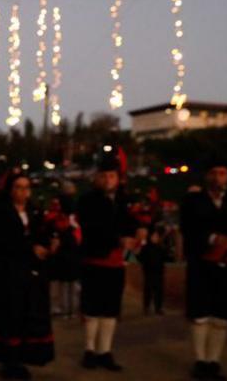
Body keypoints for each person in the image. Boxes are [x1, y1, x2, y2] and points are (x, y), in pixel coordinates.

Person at [181, 158, 227, 380]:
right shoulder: (193, 200)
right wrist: (213, 238)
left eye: (223, 173)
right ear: (207, 176)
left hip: (226, 265)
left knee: (222, 315)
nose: (218, 177)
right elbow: (188, 228)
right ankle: (200, 360)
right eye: (214, 172)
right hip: (202, 263)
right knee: (201, 313)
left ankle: (214, 361)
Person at [0, 173, 55, 380]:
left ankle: (21, 358)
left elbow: (40, 232)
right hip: (7, 275)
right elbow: (1, 241)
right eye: (18, 187)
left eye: (26, 187)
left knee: (25, 317)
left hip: (29, 276)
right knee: (9, 318)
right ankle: (9, 362)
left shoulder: (33, 211)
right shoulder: (0, 211)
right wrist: (31, 249)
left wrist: (49, 244)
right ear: (10, 190)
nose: (23, 192)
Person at [77, 155, 140, 372]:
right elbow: (92, 229)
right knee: (92, 308)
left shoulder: (123, 201)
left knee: (111, 309)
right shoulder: (86, 201)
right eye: (103, 176)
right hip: (94, 260)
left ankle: (105, 351)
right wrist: (118, 239)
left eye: (111, 176)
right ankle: (89, 350)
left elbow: (129, 223)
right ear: (96, 178)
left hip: (115, 263)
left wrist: (137, 232)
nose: (107, 180)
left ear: (117, 178)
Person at [137, 228, 168, 315]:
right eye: (153, 236)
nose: (155, 238)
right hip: (148, 272)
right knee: (148, 290)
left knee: (159, 290)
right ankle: (146, 307)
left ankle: (158, 308)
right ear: (149, 237)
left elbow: (165, 258)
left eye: (156, 236)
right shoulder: (145, 247)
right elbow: (140, 259)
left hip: (159, 272)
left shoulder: (161, 248)